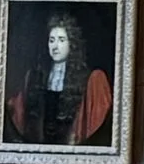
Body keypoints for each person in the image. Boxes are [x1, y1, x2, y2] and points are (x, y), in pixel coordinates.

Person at [9, 11, 112, 150]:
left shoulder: (91, 79)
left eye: (61, 40)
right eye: (52, 40)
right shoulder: (35, 77)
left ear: (72, 43)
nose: (55, 46)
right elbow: (19, 112)